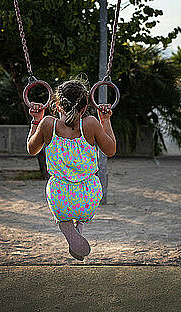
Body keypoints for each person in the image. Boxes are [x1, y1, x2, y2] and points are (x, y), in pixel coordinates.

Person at [26, 78, 116, 260]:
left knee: (60, 202)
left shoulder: (48, 124)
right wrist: (105, 120)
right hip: (87, 198)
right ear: (85, 107)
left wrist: (36, 120)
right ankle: (80, 226)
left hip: (60, 198)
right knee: (83, 207)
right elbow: (111, 150)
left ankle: (66, 225)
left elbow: (31, 149)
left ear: (57, 104)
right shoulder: (90, 124)